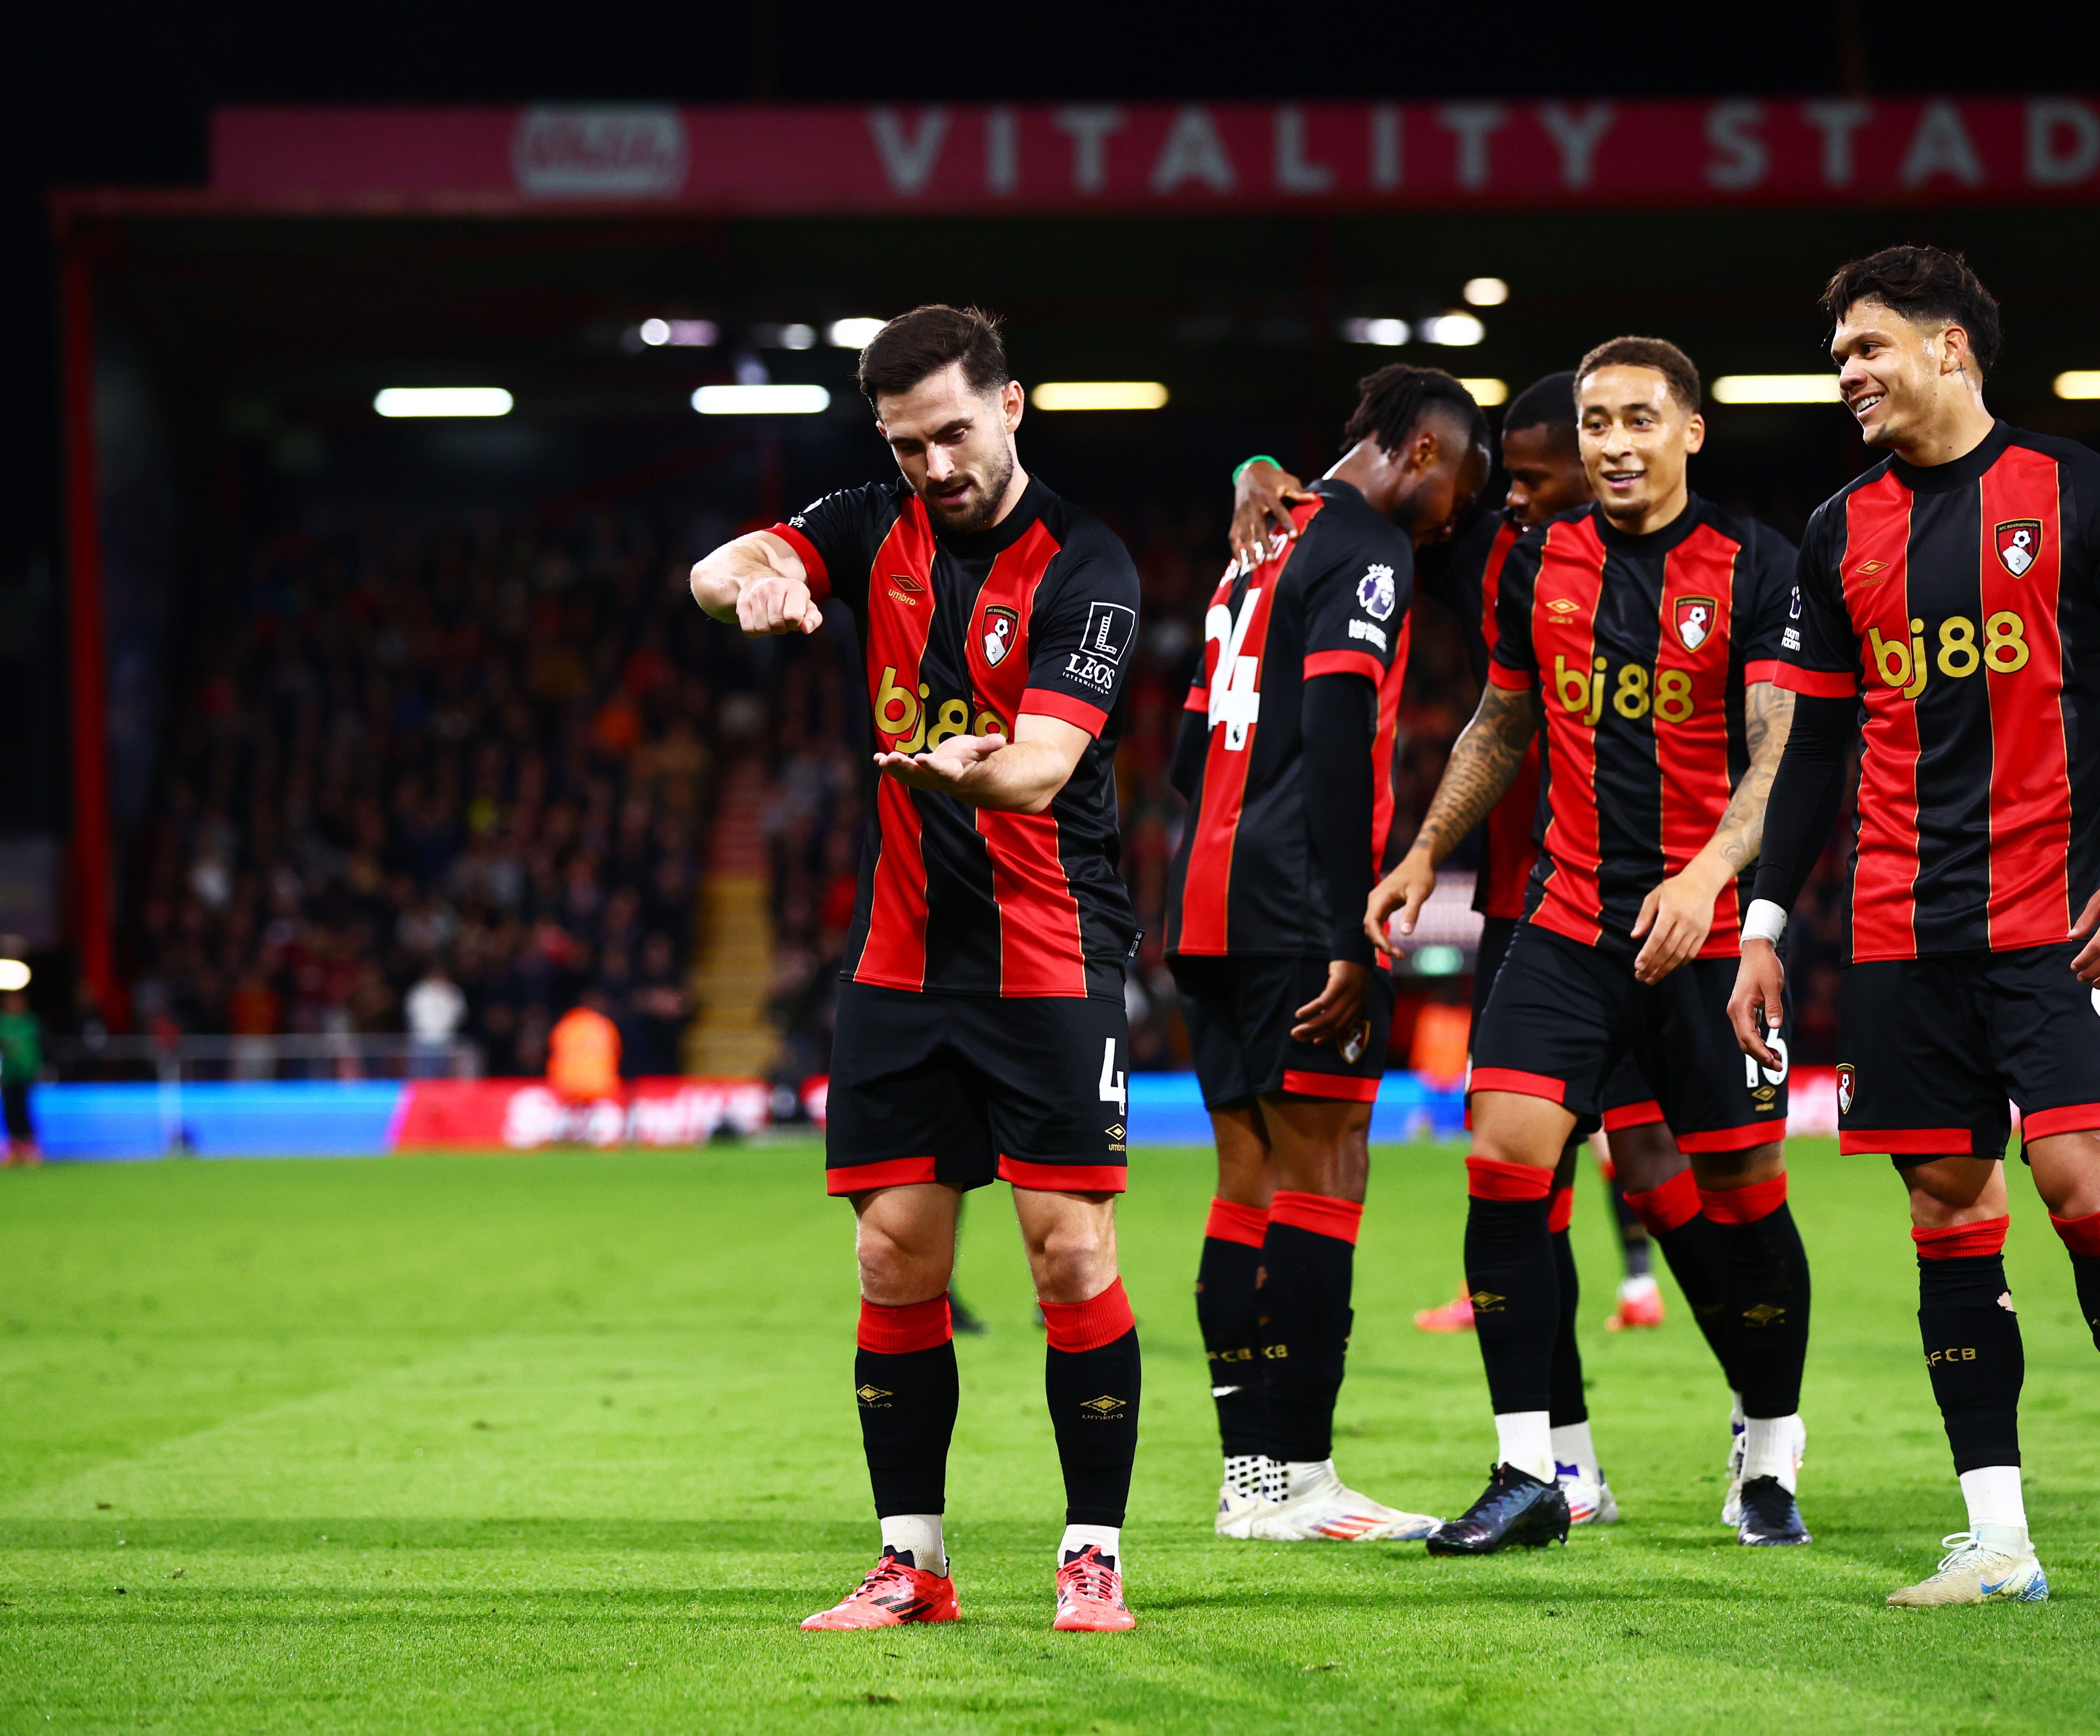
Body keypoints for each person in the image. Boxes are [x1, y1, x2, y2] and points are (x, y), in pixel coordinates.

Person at [1728, 245, 2100, 1607]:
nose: (1847, 374)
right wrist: (1763, 920)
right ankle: (1993, 1533)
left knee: (2081, 1182)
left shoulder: (2075, 493)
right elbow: (1815, 742)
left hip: (2053, 915)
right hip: (1892, 929)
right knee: (1948, 1208)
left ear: (1951, 348)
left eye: (1867, 347)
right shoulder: (1834, 532)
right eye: (1837, 356)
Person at [1238, 371, 1762, 1531]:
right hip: (1535, 916)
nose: (1515, 502)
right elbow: (1357, 499)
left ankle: (1757, 1420)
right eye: (1511, 481)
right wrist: (1253, 476)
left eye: (1535, 482)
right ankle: (1565, 1464)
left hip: (1661, 917)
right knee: (1530, 1191)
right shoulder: (1497, 559)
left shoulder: (1701, 572)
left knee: (1671, 1187)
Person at [690, 305, 1143, 1634]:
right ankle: (912, 1562)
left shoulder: (1088, 564)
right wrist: (754, 584)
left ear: (1012, 406)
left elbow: (1046, 766)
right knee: (893, 1257)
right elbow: (714, 570)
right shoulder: (863, 524)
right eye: (906, 446)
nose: (934, 467)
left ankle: (1090, 1554)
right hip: (895, 963)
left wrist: (978, 768)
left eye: (953, 432)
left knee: (1068, 1254)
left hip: (1050, 952)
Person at [1368, 338, 1812, 1554]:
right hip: (1567, 923)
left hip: (1708, 939)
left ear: (1686, 432)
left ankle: (1766, 1453)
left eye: (1637, 420)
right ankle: (1529, 1471)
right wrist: (1423, 852)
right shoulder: (1533, 564)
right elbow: (1500, 719)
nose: (1614, 443)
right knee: (1503, 1157)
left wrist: (1709, 872)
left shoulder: (1756, 564)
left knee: (1740, 1204)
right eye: (1597, 422)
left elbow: (1781, 751)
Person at [1168, 364, 1489, 1543]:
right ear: (1417, 450)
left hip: (1201, 895)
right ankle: (1299, 1478)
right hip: (1297, 903)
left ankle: (1249, 1480)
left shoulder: (1259, 535)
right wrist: (1351, 923)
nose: (1455, 510)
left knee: (1243, 1181)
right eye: (1458, 478)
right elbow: (1341, 726)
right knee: (1326, 1170)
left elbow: (1188, 738)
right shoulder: (1366, 547)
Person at [546, 989, 622, 1133]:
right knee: (599, 1114)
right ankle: (594, 1134)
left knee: (569, 1112)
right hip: (598, 1083)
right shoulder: (604, 1025)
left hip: (568, 1083)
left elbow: (554, 1051)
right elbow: (616, 1053)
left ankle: (566, 1134)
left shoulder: (566, 1025)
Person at [0, 988, 41, 1165]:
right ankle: (15, 1149)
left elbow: (36, 1048)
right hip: (8, 1075)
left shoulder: (29, 1022)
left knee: (24, 1110)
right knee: (10, 1111)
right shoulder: (3, 1022)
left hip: (25, 1075)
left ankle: (30, 1149)